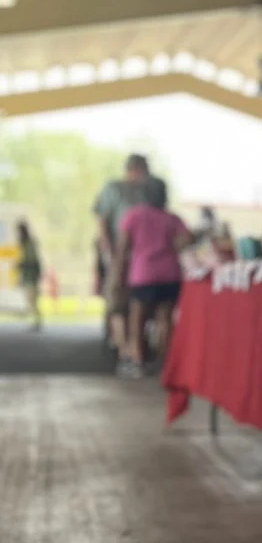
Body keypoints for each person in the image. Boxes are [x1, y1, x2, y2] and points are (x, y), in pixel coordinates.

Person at [115, 178, 191, 379]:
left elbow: (123, 248)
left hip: (143, 274)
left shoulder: (133, 216)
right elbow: (185, 241)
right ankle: (163, 362)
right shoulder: (172, 218)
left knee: (137, 319)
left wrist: (119, 275)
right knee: (165, 318)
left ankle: (139, 362)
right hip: (169, 274)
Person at [93, 154, 164, 358]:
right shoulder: (114, 189)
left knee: (138, 301)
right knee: (118, 298)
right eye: (145, 168)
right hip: (119, 251)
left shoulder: (147, 192)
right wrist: (109, 251)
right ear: (135, 168)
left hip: (142, 256)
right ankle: (121, 344)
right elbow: (103, 221)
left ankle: (136, 344)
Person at [15, 220, 42, 331]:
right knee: (30, 298)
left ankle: (36, 320)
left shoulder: (29, 243)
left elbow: (32, 259)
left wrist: (22, 265)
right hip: (28, 274)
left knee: (32, 298)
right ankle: (35, 320)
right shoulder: (24, 243)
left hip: (31, 274)